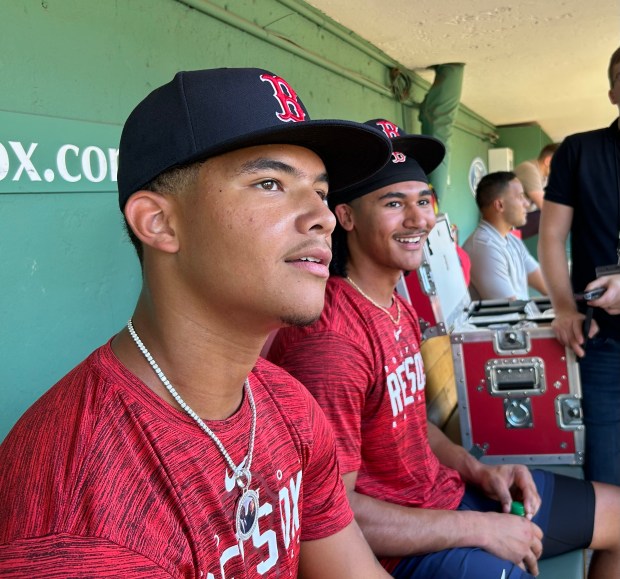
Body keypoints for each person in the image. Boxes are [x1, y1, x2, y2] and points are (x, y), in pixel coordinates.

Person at [0, 68, 395, 578]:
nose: (321, 217)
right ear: (159, 222)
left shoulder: (289, 407)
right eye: (270, 183)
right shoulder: (79, 514)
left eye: (320, 192)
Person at [268, 118, 620, 578]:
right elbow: (333, 514)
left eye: (424, 200)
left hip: (443, 494)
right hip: (397, 548)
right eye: (394, 203)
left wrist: (478, 470)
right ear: (347, 217)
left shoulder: (395, 303)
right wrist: (477, 528)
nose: (419, 219)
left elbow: (411, 427)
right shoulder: (331, 342)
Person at [539, 45, 620, 486]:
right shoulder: (578, 150)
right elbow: (551, 236)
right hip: (601, 344)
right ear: (612, 91)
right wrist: (563, 307)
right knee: (607, 486)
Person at [463, 171, 547, 301]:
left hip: (521, 318)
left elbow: (546, 285)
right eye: (520, 197)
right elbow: (511, 310)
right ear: (499, 205)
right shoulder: (484, 247)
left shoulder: (512, 240)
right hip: (509, 320)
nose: (527, 203)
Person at [513, 143, 559, 238]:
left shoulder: (545, 177)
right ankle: (510, 237)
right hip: (509, 223)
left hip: (522, 218)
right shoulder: (529, 168)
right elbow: (544, 205)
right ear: (548, 161)